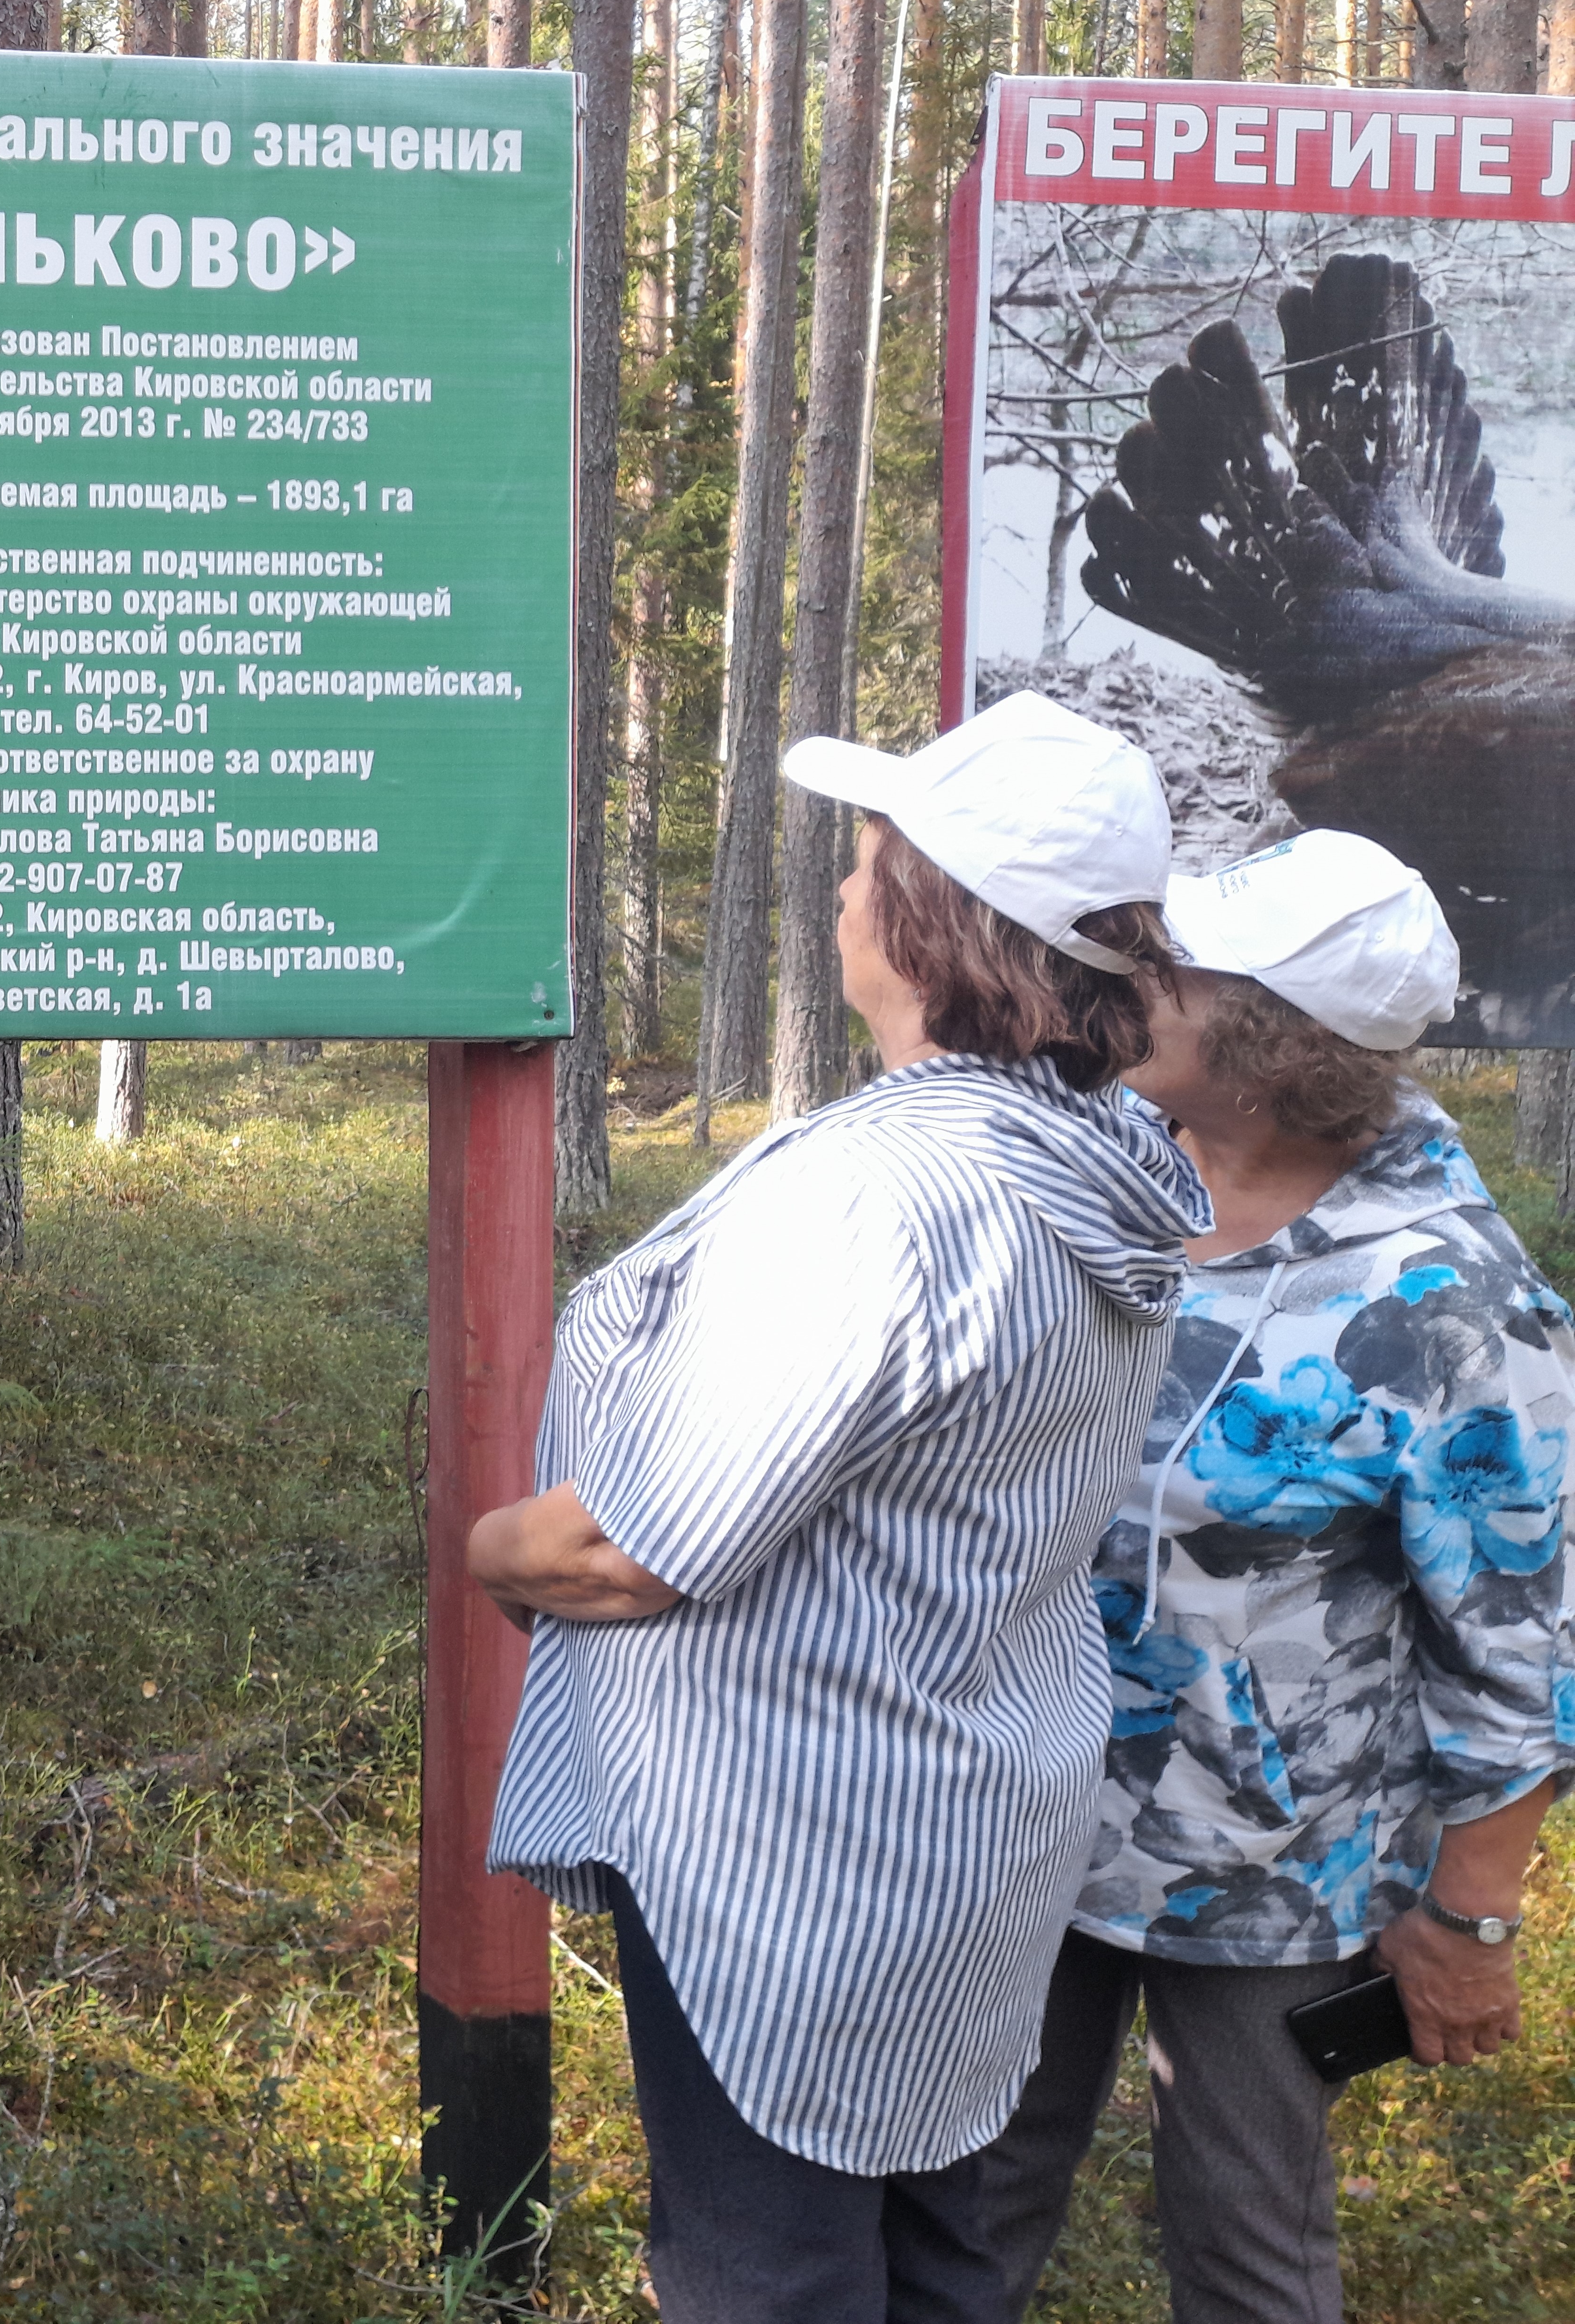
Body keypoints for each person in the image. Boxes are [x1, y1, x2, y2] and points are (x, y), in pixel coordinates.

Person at [473, 692, 1213, 2322]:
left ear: (933, 920)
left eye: (866, 860)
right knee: (948, 2259)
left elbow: (626, 1551)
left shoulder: (885, 1192)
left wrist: (487, 1547)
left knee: (770, 2270)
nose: (836, 895)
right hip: (968, 1813)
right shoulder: (1095, 1159)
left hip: (786, 1855)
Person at [982, 829, 1570, 2324]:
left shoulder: (1446, 1300)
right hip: (1018, 1810)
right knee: (960, 2207)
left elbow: (1520, 1645)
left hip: (1269, 1875)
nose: (1130, 980)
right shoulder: (1102, 1173)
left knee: (1246, 2249)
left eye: (1169, 970)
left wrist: (1468, 1920)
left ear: (1260, 1035)